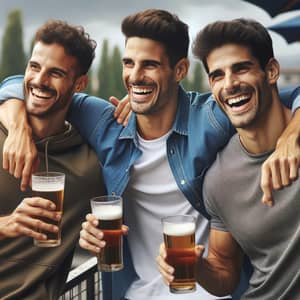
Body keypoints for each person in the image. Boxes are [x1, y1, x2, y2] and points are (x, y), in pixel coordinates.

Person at [1, 10, 300, 300]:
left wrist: (292, 134)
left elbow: (279, 94)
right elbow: (25, 84)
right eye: (128, 63)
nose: (135, 76)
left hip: (211, 291)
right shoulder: (107, 123)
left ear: (180, 70)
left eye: (150, 65)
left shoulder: (210, 116)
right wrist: (17, 128)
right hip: (132, 293)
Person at [157, 19, 300, 299]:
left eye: (241, 69)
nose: (230, 84)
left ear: (270, 71)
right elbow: (225, 271)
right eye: (217, 75)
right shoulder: (218, 179)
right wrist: (196, 266)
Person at [0, 20, 106, 299]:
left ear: (79, 84)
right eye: (34, 67)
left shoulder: (88, 168)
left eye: (55, 73)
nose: (39, 81)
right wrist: (5, 225)